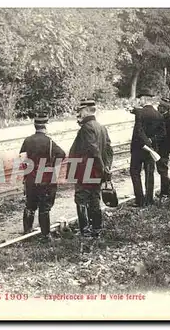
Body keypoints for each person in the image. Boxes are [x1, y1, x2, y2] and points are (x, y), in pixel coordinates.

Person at [68, 99, 113, 237]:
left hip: (87, 169)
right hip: (97, 170)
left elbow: (93, 150)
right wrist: (106, 167)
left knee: (81, 198)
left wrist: (101, 166)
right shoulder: (101, 127)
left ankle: (85, 230)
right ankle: (97, 228)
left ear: (87, 110)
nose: (79, 114)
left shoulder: (87, 128)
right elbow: (109, 150)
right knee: (94, 198)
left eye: (80, 111)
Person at [19, 112, 66, 242]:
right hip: (45, 180)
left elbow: (22, 159)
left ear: (35, 125)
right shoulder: (50, 142)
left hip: (30, 180)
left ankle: (27, 232)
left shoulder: (27, 140)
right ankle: (45, 235)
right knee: (44, 208)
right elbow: (62, 154)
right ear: (45, 126)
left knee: (30, 205)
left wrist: (30, 171)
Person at [128, 96, 166, 207]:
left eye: (140, 99)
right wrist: (151, 140)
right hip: (151, 150)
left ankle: (139, 200)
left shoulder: (140, 113)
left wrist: (146, 142)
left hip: (138, 149)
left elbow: (138, 131)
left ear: (144, 100)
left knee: (135, 172)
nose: (139, 101)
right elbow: (162, 134)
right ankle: (149, 200)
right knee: (149, 174)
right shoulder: (158, 114)